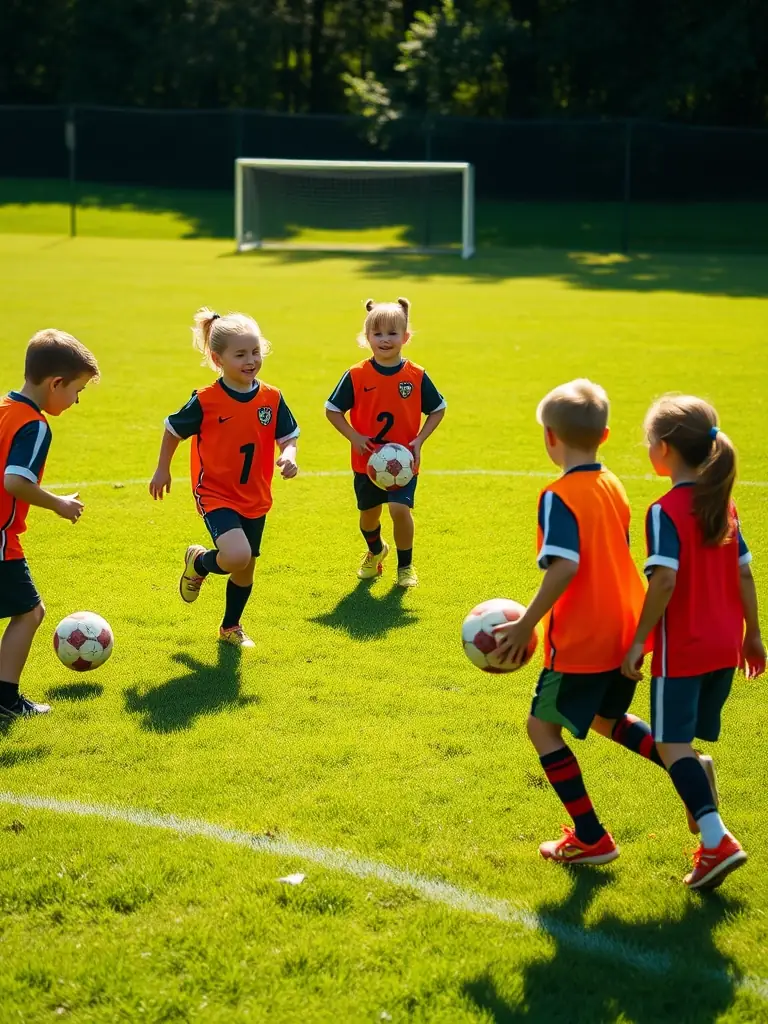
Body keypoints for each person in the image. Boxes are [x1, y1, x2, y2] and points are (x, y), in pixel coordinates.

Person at [495, 379, 661, 865]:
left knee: (542, 729)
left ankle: (591, 837)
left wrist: (527, 623)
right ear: (604, 435)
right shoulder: (612, 482)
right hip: (626, 627)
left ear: (549, 437)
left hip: (583, 636)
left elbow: (565, 566)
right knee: (603, 717)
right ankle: (686, 766)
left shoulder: (559, 495)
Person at [621, 395, 765, 889]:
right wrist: (754, 636)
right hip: (725, 645)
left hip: (682, 648)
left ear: (662, 450)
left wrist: (639, 642)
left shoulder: (664, 511)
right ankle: (701, 792)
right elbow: (745, 575)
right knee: (681, 743)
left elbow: (663, 583)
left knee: (670, 741)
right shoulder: (723, 505)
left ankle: (715, 838)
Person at [149, 308, 299, 648]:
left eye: (256, 352)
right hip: (216, 493)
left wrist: (288, 456)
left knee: (244, 569)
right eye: (241, 354)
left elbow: (288, 435)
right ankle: (199, 563)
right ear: (218, 359)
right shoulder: (206, 400)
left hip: (256, 495)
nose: (251, 360)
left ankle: (230, 628)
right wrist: (163, 468)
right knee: (235, 556)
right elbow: (173, 430)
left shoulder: (271, 398)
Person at [0, 329, 99, 718]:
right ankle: (5, 700)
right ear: (56, 383)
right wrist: (57, 503)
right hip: (2, 538)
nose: (76, 400)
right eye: (77, 390)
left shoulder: (4, 406)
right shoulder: (34, 424)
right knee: (30, 612)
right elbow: (14, 481)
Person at [325, 298, 445, 588]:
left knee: (399, 510)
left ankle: (405, 567)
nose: (385, 340)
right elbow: (332, 409)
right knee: (368, 517)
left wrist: (419, 440)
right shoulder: (356, 375)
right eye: (377, 334)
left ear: (405, 337)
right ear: (367, 338)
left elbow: (438, 408)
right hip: (366, 463)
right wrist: (354, 436)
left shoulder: (416, 375)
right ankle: (376, 549)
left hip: (404, 462)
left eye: (392, 333)